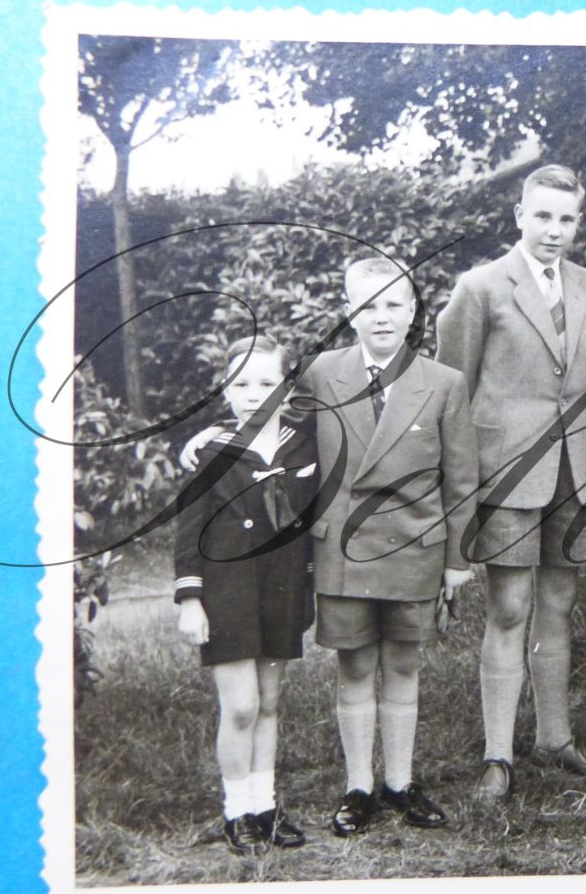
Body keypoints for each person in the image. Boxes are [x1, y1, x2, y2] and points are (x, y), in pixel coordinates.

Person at [435, 164, 586, 802]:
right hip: (506, 473)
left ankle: (555, 738)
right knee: (509, 607)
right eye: (543, 216)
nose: (555, 230)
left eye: (567, 219)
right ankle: (497, 755)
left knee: (559, 604)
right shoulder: (480, 287)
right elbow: (449, 394)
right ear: (519, 215)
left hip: (576, 468)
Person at [302, 257, 480, 834]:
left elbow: (461, 479)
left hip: (415, 548)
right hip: (343, 552)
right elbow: (278, 437)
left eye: (393, 304)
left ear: (412, 312)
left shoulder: (444, 382)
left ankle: (400, 782)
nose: (381, 317)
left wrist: (457, 560)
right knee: (354, 667)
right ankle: (358, 788)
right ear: (348, 312)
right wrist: (212, 438)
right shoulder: (322, 373)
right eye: (367, 305)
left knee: (403, 665)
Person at [174, 335, 320, 853]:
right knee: (240, 707)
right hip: (227, 590)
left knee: (271, 702)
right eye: (241, 384)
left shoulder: (305, 444)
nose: (254, 393)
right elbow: (188, 530)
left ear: (287, 389)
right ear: (225, 390)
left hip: (282, 587)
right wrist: (191, 598)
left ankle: (266, 804)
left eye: (266, 382)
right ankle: (236, 810)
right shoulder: (212, 452)